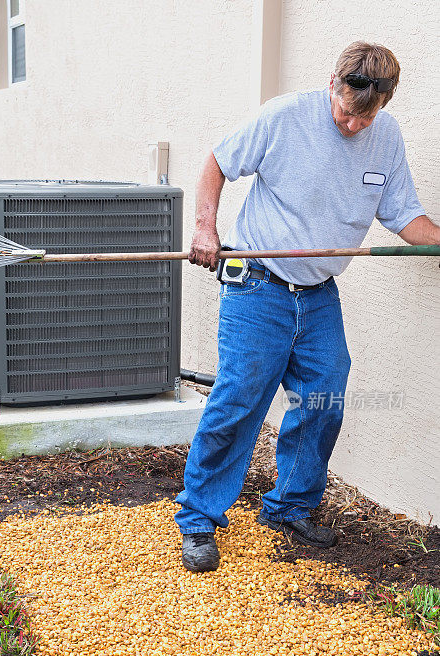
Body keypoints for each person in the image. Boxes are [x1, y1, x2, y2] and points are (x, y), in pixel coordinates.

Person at [175, 41, 440, 573]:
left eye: (364, 118)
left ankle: (290, 506)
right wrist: (205, 227)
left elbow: (403, 214)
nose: (351, 126)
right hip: (258, 284)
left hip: (319, 296)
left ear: (384, 105)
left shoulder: (384, 137)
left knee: (324, 398)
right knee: (239, 401)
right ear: (332, 85)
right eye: (345, 112)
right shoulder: (285, 117)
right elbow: (217, 161)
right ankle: (199, 518)